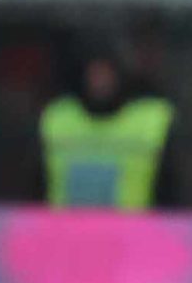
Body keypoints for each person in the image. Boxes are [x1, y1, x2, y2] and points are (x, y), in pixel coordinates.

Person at [41, 46, 174, 209]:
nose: (100, 82)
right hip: (64, 232)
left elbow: (172, 192)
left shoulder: (152, 120)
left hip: (133, 231)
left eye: (105, 73)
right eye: (94, 74)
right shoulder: (57, 118)